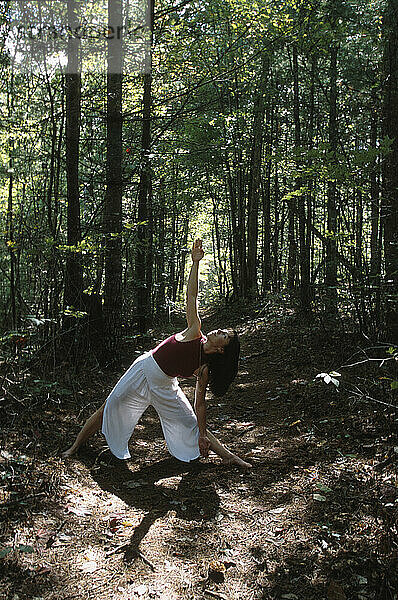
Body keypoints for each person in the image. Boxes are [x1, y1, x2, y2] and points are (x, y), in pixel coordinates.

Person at [62, 239, 251, 468]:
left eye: (225, 335)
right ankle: (75, 447)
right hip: (144, 369)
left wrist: (201, 434)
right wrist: (195, 263)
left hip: (164, 386)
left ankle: (229, 457)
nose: (220, 330)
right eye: (223, 331)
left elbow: (200, 404)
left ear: (222, 348)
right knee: (109, 405)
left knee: (191, 423)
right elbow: (192, 297)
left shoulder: (204, 368)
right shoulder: (195, 331)